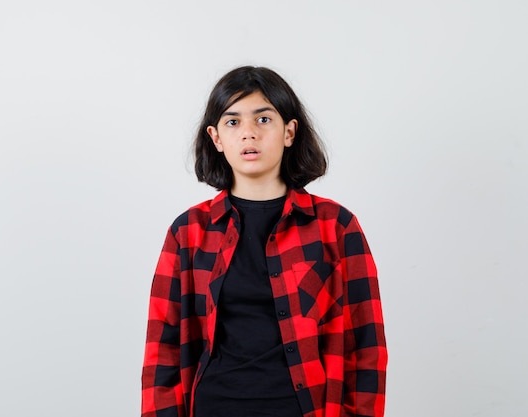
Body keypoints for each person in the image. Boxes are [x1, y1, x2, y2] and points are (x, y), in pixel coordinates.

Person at [141, 66, 387, 417]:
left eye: (263, 119)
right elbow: (162, 351)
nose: (248, 134)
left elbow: (367, 347)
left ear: (289, 132)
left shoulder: (336, 227)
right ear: (216, 138)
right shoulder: (188, 232)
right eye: (233, 122)